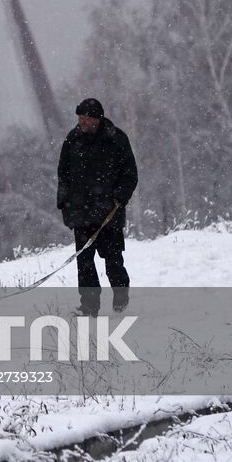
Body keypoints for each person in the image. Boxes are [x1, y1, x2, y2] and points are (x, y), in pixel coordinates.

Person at [56, 97, 137, 314]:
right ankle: (89, 306)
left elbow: (130, 174)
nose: (81, 121)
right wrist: (64, 203)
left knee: (113, 261)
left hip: (109, 213)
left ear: (97, 119)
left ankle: (121, 295)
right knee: (85, 263)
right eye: (79, 117)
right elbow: (63, 175)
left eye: (85, 118)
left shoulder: (117, 139)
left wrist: (120, 197)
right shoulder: (72, 140)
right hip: (80, 213)